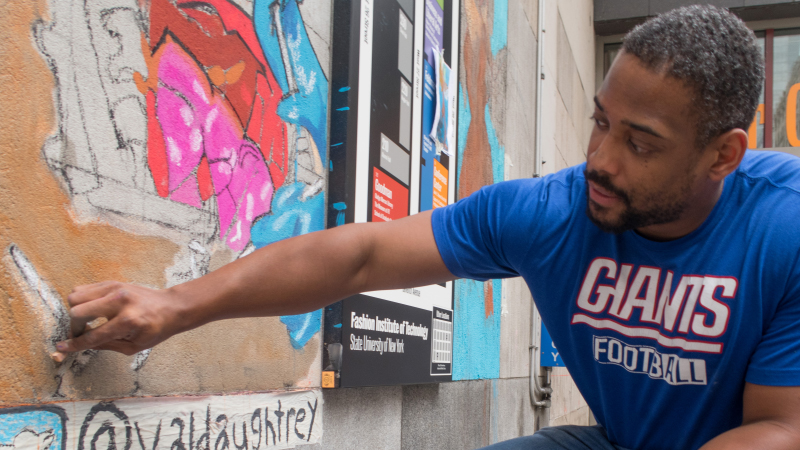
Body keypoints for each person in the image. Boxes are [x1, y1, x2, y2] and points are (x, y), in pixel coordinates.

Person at [54, 5, 800, 450]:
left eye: (638, 143)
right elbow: (363, 256)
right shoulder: (553, 211)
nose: (598, 160)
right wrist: (177, 307)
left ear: (723, 155)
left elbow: (778, 429)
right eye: (600, 122)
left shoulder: (783, 231)